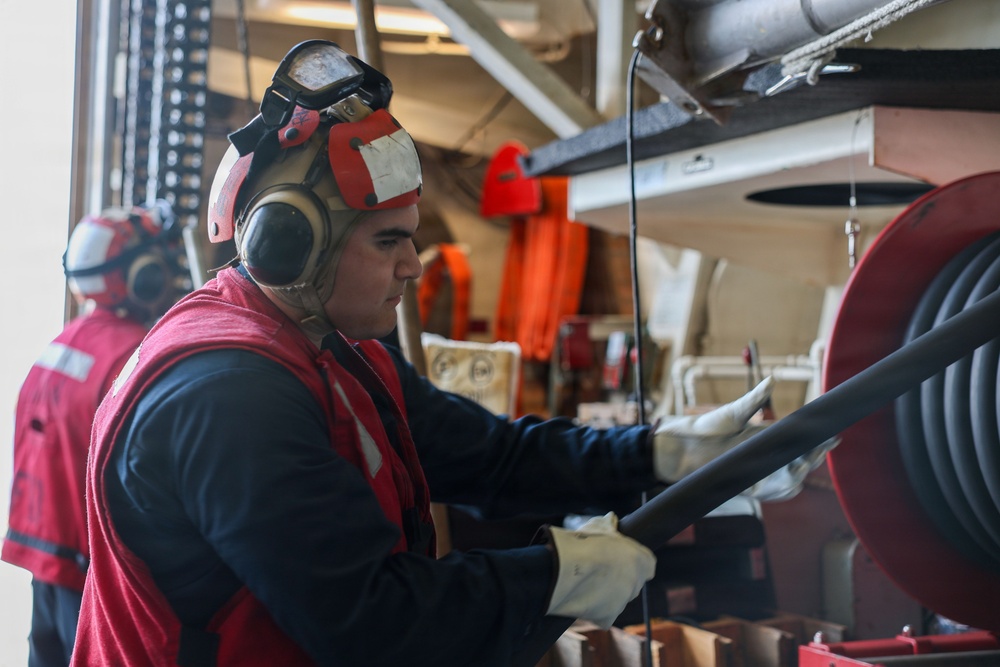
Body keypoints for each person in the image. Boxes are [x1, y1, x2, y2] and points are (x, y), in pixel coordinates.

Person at [71, 40, 829, 667]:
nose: (414, 265)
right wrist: (555, 574)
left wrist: (667, 452)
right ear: (292, 245)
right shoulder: (228, 396)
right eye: (389, 240)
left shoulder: (335, 347)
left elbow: (493, 458)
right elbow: (370, 622)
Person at [3, 202, 188, 667]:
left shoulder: (65, 342)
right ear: (142, 275)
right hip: (88, 567)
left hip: (46, 551)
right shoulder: (132, 355)